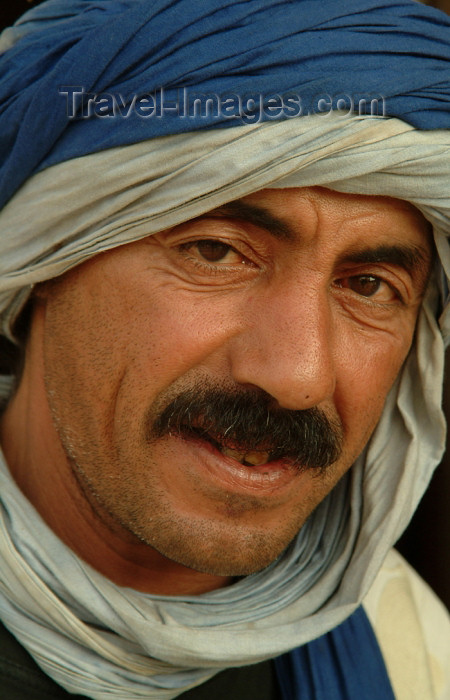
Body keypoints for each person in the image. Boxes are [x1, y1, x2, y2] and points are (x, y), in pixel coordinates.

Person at [0, 0, 449, 698]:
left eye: (368, 285)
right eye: (215, 253)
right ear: (45, 261)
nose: (298, 375)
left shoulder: (414, 656)